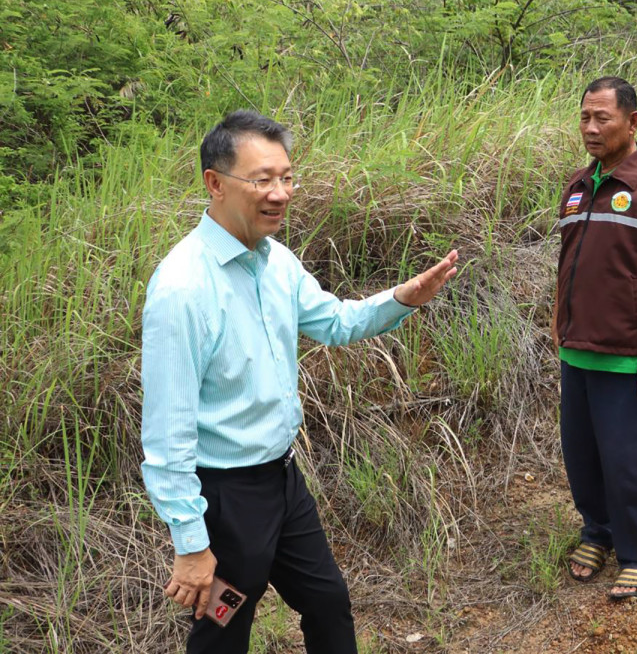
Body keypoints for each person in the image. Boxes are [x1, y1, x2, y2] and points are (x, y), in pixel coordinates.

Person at [141, 111, 460, 653]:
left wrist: (402, 298)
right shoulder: (182, 289)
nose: (280, 193)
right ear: (215, 183)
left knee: (327, 602)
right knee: (222, 625)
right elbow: (166, 438)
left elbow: (334, 321)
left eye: (287, 177)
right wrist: (192, 543)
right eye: (262, 179)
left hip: (284, 483)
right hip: (225, 503)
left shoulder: (276, 262)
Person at [554, 77, 637, 600]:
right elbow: (568, 260)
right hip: (576, 347)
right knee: (581, 454)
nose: (590, 128)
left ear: (632, 122)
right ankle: (598, 532)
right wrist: (557, 319)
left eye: (602, 118)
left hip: (626, 353)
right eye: (584, 117)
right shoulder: (577, 183)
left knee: (625, 459)